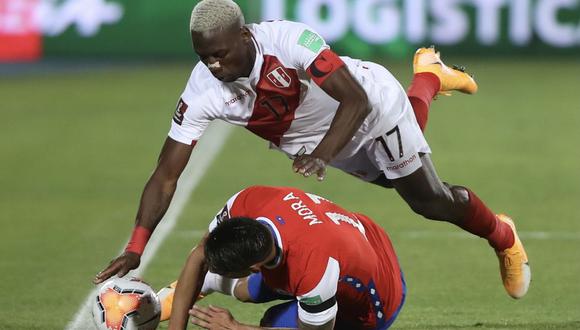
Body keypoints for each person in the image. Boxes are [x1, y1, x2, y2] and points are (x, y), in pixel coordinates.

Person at [94, 0, 530, 300]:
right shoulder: (202, 88)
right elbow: (166, 174)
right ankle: (429, 76)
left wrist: (321, 154)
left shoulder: (290, 40)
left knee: (428, 200)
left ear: (245, 35)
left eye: (221, 54)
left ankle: (502, 235)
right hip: (328, 144)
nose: (214, 66)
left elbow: (355, 99)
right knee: (397, 175)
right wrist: (137, 244)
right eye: (204, 56)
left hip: (369, 107)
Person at [167, 185, 407, 330]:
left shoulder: (314, 271)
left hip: (376, 301)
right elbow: (200, 254)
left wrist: (236, 327)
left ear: (254, 267)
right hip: (361, 238)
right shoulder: (248, 201)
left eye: (220, 270)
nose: (213, 267)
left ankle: (210, 286)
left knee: (272, 321)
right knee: (247, 292)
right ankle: (181, 293)